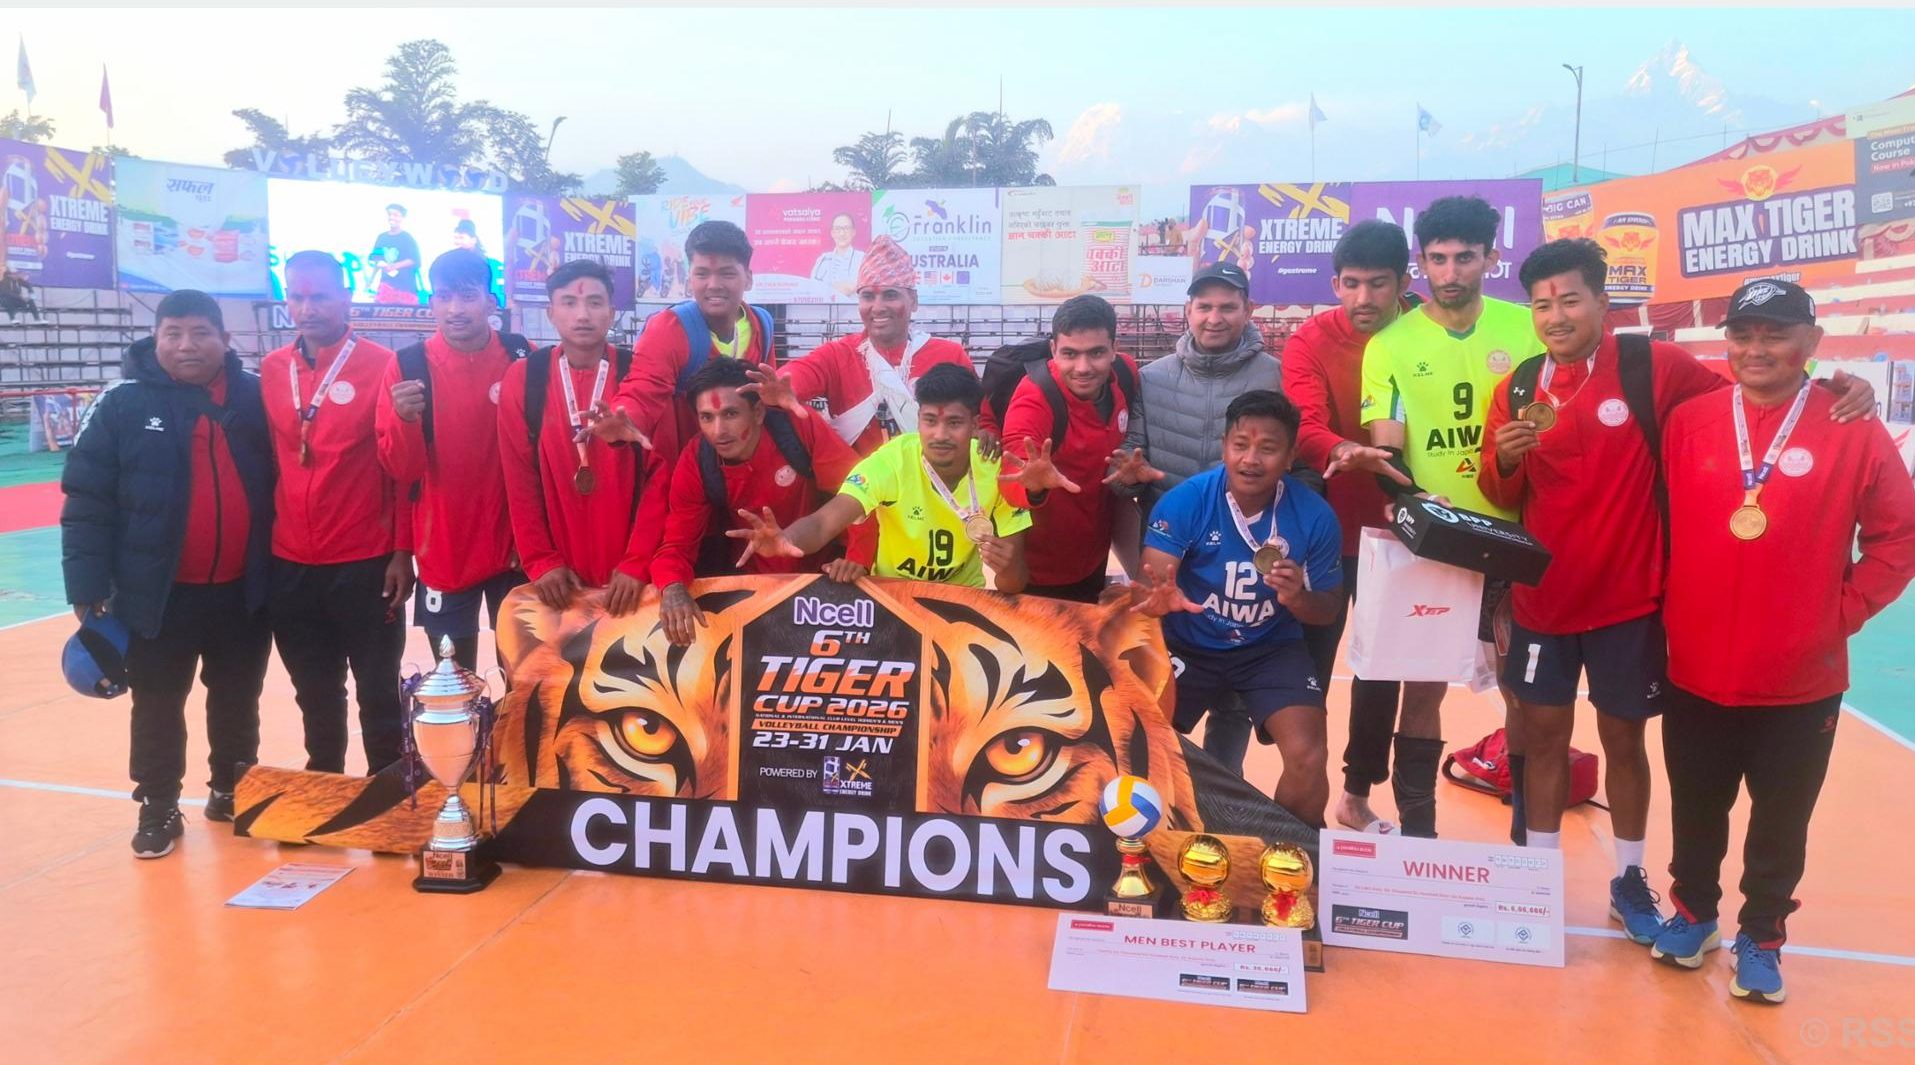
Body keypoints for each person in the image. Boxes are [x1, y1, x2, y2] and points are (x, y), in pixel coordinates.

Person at [1647, 280, 1915, 1004]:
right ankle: (1693, 914)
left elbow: (1898, 535)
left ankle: (1761, 936)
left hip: (1801, 675)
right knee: (1695, 804)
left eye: (1775, 333)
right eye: (1743, 334)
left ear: (1811, 342)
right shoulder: (1690, 420)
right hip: (1696, 664)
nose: (1756, 349)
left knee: (1781, 820)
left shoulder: (1850, 422)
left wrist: (1842, 611)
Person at [61, 291, 275, 858]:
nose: (187, 345)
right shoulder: (122, 403)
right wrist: (86, 588)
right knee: (157, 702)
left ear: (225, 338)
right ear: (154, 340)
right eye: (173, 333)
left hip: (243, 589)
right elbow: (86, 500)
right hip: (156, 593)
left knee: (238, 695)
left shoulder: (257, 395)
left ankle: (231, 788)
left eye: (200, 332)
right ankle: (158, 805)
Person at [1357, 195, 1536, 839]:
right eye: (1438, 259)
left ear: (1491, 257)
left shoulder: (1527, 327)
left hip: (1517, 536)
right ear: (1423, 262)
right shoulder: (1390, 345)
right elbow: (1386, 444)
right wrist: (1410, 500)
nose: (1451, 271)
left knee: (1522, 692)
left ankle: (1526, 837)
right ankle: (1419, 833)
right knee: (1424, 686)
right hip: (1438, 539)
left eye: (1465, 257)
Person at [1132, 389, 1342, 824]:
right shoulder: (1188, 500)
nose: (1251, 459)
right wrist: (1158, 602)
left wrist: (1298, 597)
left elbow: (1328, 610)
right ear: (1224, 446)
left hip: (1269, 648)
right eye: (1241, 445)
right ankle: (1145, 843)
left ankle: (1288, 855)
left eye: (1268, 448)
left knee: (1308, 757)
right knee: (1136, 740)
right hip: (1188, 643)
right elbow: (1146, 590)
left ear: (1290, 457)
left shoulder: (1315, 516)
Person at [1283, 220, 1420, 834]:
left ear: (1404, 282)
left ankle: (1357, 794)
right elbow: (1304, 425)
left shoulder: (1426, 334)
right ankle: (1305, 797)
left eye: (1379, 284)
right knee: (1310, 666)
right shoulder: (1309, 340)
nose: (1364, 298)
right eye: (1352, 284)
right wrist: (1346, 449)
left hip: (1402, 529)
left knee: (1382, 668)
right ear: (1335, 283)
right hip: (1326, 533)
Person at [260, 252, 411, 777]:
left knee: (377, 688)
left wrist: (402, 551)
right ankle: (323, 781)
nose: (307, 308)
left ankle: (387, 784)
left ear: (346, 299)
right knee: (314, 688)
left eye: (320, 296)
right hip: (291, 562)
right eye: (297, 296)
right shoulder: (272, 370)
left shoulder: (382, 365)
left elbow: (401, 469)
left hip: (366, 560)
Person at [726, 364, 1038, 592]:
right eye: (930, 421)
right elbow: (824, 522)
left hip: (962, 597)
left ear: (975, 425)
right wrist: (786, 540)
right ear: (919, 419)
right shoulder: (891, 461)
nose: (940, 435)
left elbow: (1015, 583)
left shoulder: (996, 471)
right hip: (893, 594)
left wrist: (1006, 566)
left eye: (954, 423)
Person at [377, 249, 528, 672]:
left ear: (491, 302)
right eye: (444, 297)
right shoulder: (407, 366)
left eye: (467, 296)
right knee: (454, 682)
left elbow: (545, 457)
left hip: (517, 548)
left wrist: (538, 539)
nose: (455, 309)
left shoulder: (523, 356)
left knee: (524, 679)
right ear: (432, 303)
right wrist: (404, 420)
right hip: (445, 549)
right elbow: (402, 472)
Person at [652, 359, 875, 645]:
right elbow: (676, 544)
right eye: (706, 417)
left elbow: (861, 492)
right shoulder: (697, 460)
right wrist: (672, 587)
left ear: (758, 412)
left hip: (824, 583)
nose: (718, 431)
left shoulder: (798, 428)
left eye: (730, 414)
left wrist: (857, 560)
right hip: (751, 591)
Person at [496, 259, 662, 619]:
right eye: (569, 302)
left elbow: (661, 476)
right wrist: (541, 560)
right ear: (551, 312)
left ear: (612, 312)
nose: (582, 315)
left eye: (595, 303)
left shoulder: (641, 374)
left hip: (631, 576)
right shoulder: (524, 378)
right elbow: (519, 476)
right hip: (559, 575)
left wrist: (638, 561)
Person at [1001, 294, 1160, 602]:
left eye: (1096, 352)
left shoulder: (1126, 375)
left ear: (1114, 349)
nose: (1083, 367)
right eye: (1070, 354)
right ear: (1053, 350)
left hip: (1096, 551)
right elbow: (1012, 471)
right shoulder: (1035, 397)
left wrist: (1131, 473)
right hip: (1041, 569)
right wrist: (1032, 487)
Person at [764, 236, 974, 456]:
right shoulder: (837, 355)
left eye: (890, 295)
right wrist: (783, 387)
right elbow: (799, 374)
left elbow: (978, 421)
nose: (878, 307)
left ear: (913, 301)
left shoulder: (950, 355)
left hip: (930, 475)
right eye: (868, 296)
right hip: (857, 476)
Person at [588, 220, 776, 462]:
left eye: (727, 273)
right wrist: (627, 418)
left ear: (748, 279)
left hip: (745, 469)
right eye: (702, 274)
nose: (714, 285)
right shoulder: (669, 329)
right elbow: (643, 387)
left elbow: (768, 394)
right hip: (684, 470)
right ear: (689, 279)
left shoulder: (762, 324)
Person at [370, 203, 421, 305]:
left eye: (396, 215)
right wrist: (370, 281)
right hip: (386, 285)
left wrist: (394, 266)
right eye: (390, 214)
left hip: (405, 286)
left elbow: (414, 260)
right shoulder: (382, 237)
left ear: (402, 218)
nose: (392, 217)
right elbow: (376, 259)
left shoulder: (407, 238)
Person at [810, 212, 866, 300]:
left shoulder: (862, 258)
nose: (842, 233)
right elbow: (813, 288)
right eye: (837, 229)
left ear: (853, 232)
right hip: (824, 308)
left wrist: (826, 287)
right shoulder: (823, 259)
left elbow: (851, 288)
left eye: (846, 228)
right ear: (832, 233)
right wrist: (843, 286)